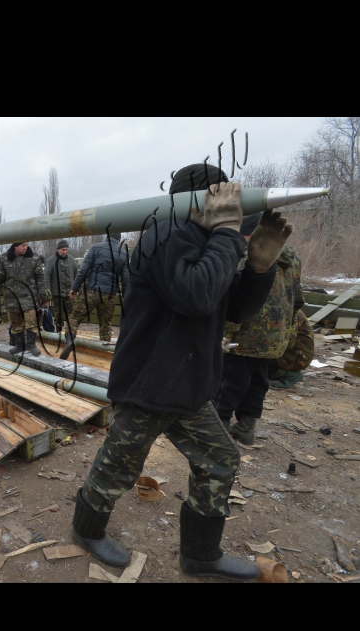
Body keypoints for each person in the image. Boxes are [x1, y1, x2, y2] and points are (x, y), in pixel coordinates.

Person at [72, 164, 291, 582]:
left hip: (189, 387)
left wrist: (259, 268)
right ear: (202, 201)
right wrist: (229, 237)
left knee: (220, 459)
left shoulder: (208, 240)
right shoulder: (164, 235)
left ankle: (201, 554)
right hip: (149, 384)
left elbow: (234, 310)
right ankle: (86, 530)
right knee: (119, 465)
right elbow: (195, 295)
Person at [215, 233, 304, 445]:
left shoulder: (248, 258)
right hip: (275, 338)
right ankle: (246, 427)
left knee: (227, 382)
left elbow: (236, 300)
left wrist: (224, 334)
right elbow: (298, 299)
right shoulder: (292, 260)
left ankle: (218, 431)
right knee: (258, 381)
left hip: (243, 337)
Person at [60, 232, 129, 360]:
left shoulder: (95, 248)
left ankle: (69, 341)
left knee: (74, 318)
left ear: (107, 237)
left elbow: (83, 270)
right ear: (118, 240)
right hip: (109, 294)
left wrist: (74, 289)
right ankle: (105, 353)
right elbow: (125, 279)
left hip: (91, 291)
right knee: (105, 324)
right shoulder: (123, 254)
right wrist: (125, 297)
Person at [0, 242, 46, 357]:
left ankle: (31, 345)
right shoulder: (4, 258)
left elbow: (40, 277)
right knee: (16, 323)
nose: (26, 247)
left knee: (31, 322)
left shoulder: (34, 258)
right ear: (15, 246)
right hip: (11, 297)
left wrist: (42, 293)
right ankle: (19, 345)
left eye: (26, 245)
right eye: (23, 245)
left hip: (29, 297)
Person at [268, 310, 315, 389]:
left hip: (298, 357)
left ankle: (288, 374)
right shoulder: (284, 308)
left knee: (257, 365)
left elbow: (288, 342)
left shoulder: (291, 312)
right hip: (291, 353)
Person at [45, 240, 79, 336]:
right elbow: (46, 277)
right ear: (58, 249)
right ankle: (59, 332)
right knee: (58, 315)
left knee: (71, 315)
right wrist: (48, 293)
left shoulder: (71, 260)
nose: (65, 252)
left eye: (66, 249)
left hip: (70, 293)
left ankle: (70, 333)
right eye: (63, 249)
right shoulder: (50, 261)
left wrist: (77, 289)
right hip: (57, 294)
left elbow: (77, 275)